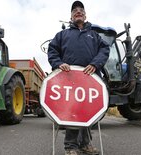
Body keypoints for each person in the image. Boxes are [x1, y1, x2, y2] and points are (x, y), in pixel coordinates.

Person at [47, 1, 110, 155]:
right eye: (74, 10)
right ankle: (70, 147)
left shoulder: (94, 36)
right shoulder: (62, 35)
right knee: (72, 113)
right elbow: (52, 51)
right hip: (69, 82)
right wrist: (58, 63)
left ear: (85, 15)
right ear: (71, 16)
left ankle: (85, 144)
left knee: (88, 113)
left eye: (81, 10)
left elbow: (104, 49)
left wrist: (95, 64)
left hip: (90, 81)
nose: (78, 11)